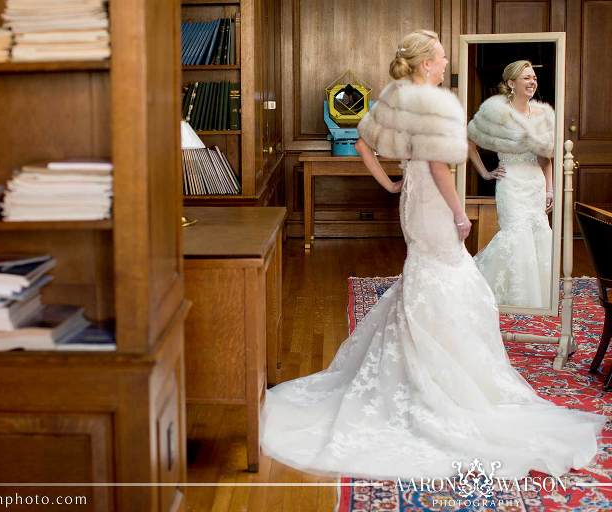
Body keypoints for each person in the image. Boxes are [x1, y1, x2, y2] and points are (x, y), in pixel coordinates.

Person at [259, 30, 605, 480]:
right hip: (436, 207)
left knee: (430, 278)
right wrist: (461, 214)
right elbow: (440, 166)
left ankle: (423, 367)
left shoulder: (396, 97)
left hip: (413, 205)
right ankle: (438, 380)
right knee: (452, 281)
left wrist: (390, 185)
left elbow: (364, 144)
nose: (445, 65)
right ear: (425, 64)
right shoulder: (432, 103)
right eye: (441, 59)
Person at [468, 61, 555, 308]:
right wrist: (485, 173)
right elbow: (469, 142)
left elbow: (546, 158)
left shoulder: (541, 114)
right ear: (510, 83)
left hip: (535, 184)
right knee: (515, 236)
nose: (532, 82)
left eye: (534, 77)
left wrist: (550, 189)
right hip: (511, 183)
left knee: (539, 235)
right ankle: (494, 292)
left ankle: (537, 299)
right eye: (526, 77)